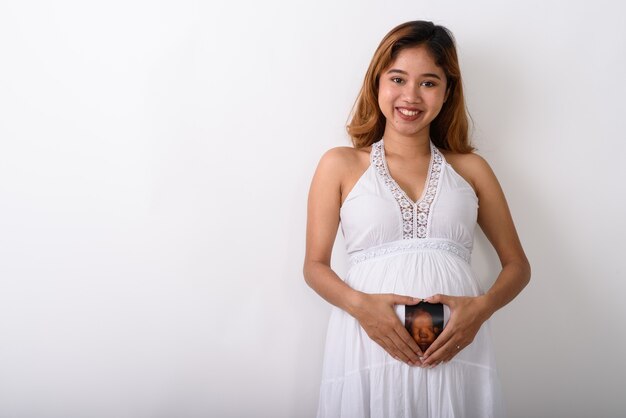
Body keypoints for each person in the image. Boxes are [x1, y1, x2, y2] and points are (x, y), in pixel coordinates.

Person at [303, 20, 530, 417]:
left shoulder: (472, 170)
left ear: (447, 93)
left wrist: (481, 309)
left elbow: (518, 266)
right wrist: (361, 308)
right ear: (377, 82)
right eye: (398, 78)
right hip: (367, 346)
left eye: (428, 82)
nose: (411, 95)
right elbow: (314, 266)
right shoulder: (339, 164)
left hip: (456, 351)